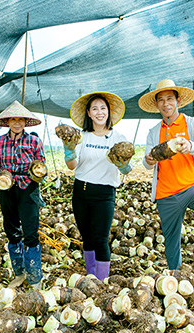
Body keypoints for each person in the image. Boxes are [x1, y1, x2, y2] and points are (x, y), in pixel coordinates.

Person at [139, 79, 194, 270]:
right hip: (165, 193)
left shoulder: (192, 124)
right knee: (171, 238)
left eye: (170, 99)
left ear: (178, 101)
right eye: (161, 100)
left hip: (191, 187)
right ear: (156, 105)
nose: (166, 104)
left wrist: (190, 146)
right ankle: (175, 271)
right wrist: (149, 160)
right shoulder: (154, 131)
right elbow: (147, 162)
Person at [61, 92, 133, 281]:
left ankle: (101, 281)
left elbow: (127, 170)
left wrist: (124, 165)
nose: (99, 112)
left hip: (104, 194)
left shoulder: (118, 137)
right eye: (95, 109)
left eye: (103, 108)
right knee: (87, 238)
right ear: (89, 113)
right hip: (81, 192)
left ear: (109, 112)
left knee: (101, 239)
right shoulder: (82, 137)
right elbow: (72, 166)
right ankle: (90, 276)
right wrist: (69, 151)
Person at [0, 100, 46, 289]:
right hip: (7, 188)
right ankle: (19, 273)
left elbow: (41, 166)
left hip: (28, 187)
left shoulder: (34, 141)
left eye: (20, 119)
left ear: (25, 122)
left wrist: (39, 175)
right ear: (7, 122)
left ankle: (35, 276)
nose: (17, 123)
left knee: (30, 231)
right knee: (12, 230)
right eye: (13, 119)